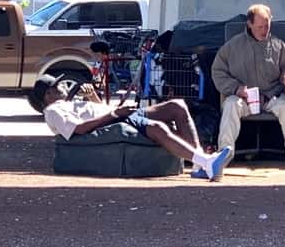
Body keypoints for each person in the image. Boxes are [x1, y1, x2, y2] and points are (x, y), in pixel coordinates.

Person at [28, 74, 230, 181]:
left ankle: (200, 165)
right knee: (158, 127)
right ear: (48, 95)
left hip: (119, 113)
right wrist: (116, 114)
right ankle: (206, 162)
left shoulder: (65, 104)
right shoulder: (54, 111)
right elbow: (79, 129)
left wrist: (92, 98)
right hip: (116, 119)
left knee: (177, 106)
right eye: (58, 86)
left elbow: (99, 110)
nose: (63, 87)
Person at [211, 3, 285, 170]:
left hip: (272, 97)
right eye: (260, 27)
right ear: (249, 24)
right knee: (230, 105)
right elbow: (218, 71)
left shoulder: (279, 47)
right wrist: (236, 89)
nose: (264, 31)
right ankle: (224, 154)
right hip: (244, 97)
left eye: (267, 26)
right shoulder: (232, 46)